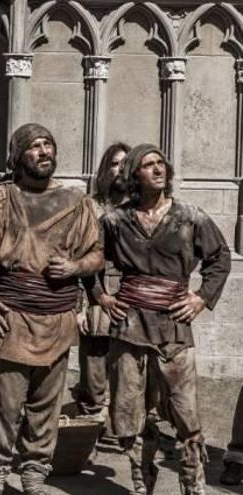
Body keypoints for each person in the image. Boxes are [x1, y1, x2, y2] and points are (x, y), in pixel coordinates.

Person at [0, 123, 103, 495]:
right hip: (12, 319)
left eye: (48, 144)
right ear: (18, 157)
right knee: (4, 407)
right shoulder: (0, 200)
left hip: (58, 319)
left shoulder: (76, 202)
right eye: (34, 146)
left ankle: (34, 475)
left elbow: (97, 256)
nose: (44, 151)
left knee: (46, 408)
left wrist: (76, 267)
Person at [95, 144, 231, 495]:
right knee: (130, 413)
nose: (158, 170)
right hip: (129, 327)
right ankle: (142, 483)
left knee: (186, 413)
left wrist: (201, 298)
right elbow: (90, 261)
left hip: (173, 327)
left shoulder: (190, 217)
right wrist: (102, 297)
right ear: (133, 175)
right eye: (148, 165)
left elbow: (219, 257)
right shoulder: (115, 221)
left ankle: (193, 486)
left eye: (161, 164)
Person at [74, 142, 130, 419]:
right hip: (97, 295)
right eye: (115, 163)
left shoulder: (141, 207)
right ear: (105, 169)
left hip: (133, 300)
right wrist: (79, 307)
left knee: (129, 375)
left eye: (126, 164)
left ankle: (122, 432)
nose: (121, 170)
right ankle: (90, 427)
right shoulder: (90, 206)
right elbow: (76, 257)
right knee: (94, 377)